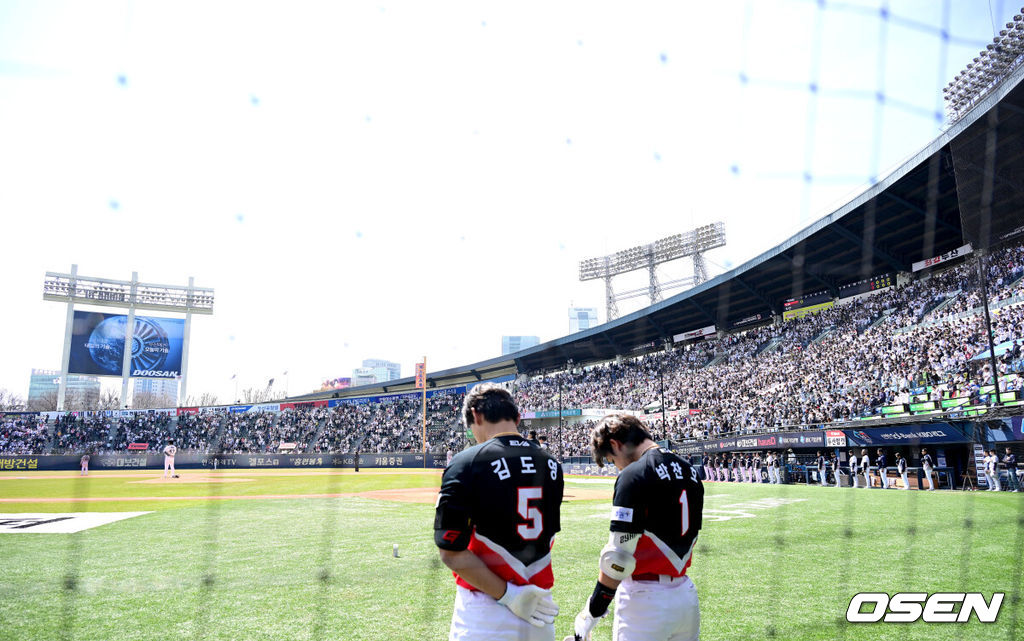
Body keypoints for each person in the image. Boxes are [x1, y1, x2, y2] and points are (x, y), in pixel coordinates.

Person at [434, 383, 563, 641]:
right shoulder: (552, 464)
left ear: (476, 415)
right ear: (516, 418)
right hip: (539, 609)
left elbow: (451, 552)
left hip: (485, 611)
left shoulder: (466, 463)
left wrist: (509, 595)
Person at [571, 413, 703, 641]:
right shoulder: (689, 470)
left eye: (612, 461)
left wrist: (592, 611)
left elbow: (618, 559)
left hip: (645, 600)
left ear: (615, 444)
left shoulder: (633, 475)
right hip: (685, 596)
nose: (617, 467)